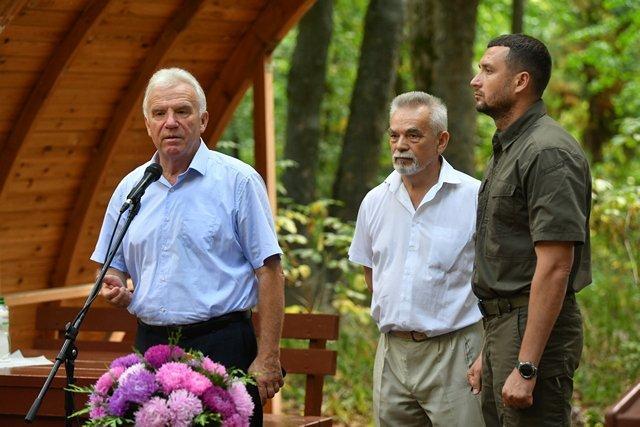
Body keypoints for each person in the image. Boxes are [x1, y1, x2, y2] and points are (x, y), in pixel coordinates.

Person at [91, 67, 284, 426]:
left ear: (203, 120)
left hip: (223, 344)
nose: (171, 122)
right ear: (147, 123)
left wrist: (269, 356)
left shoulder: (238, 182)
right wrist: (114, 286)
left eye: (182, 111)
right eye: (159, 113)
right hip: (151, 347)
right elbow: (110, 268)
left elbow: (270, 271)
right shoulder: (131, 188)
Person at [468, 34, 591, 426]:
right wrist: (490, 349)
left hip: (531, 336)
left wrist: (526, 365)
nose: (475, 80)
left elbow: (556, 266)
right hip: (504, 329)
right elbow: (510, 261)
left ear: (520, 81)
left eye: (487, 70)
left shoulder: (547, 151)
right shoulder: (510, 148)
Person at [349, 91, 485, 426]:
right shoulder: (375, 201)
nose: (400, 145)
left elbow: (497, 279)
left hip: (455, 350)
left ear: (441, 141)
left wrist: (487, 351)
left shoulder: (474, 197)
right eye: (394, 135)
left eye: (413, 135)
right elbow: (372, 273)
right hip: (392, 352)